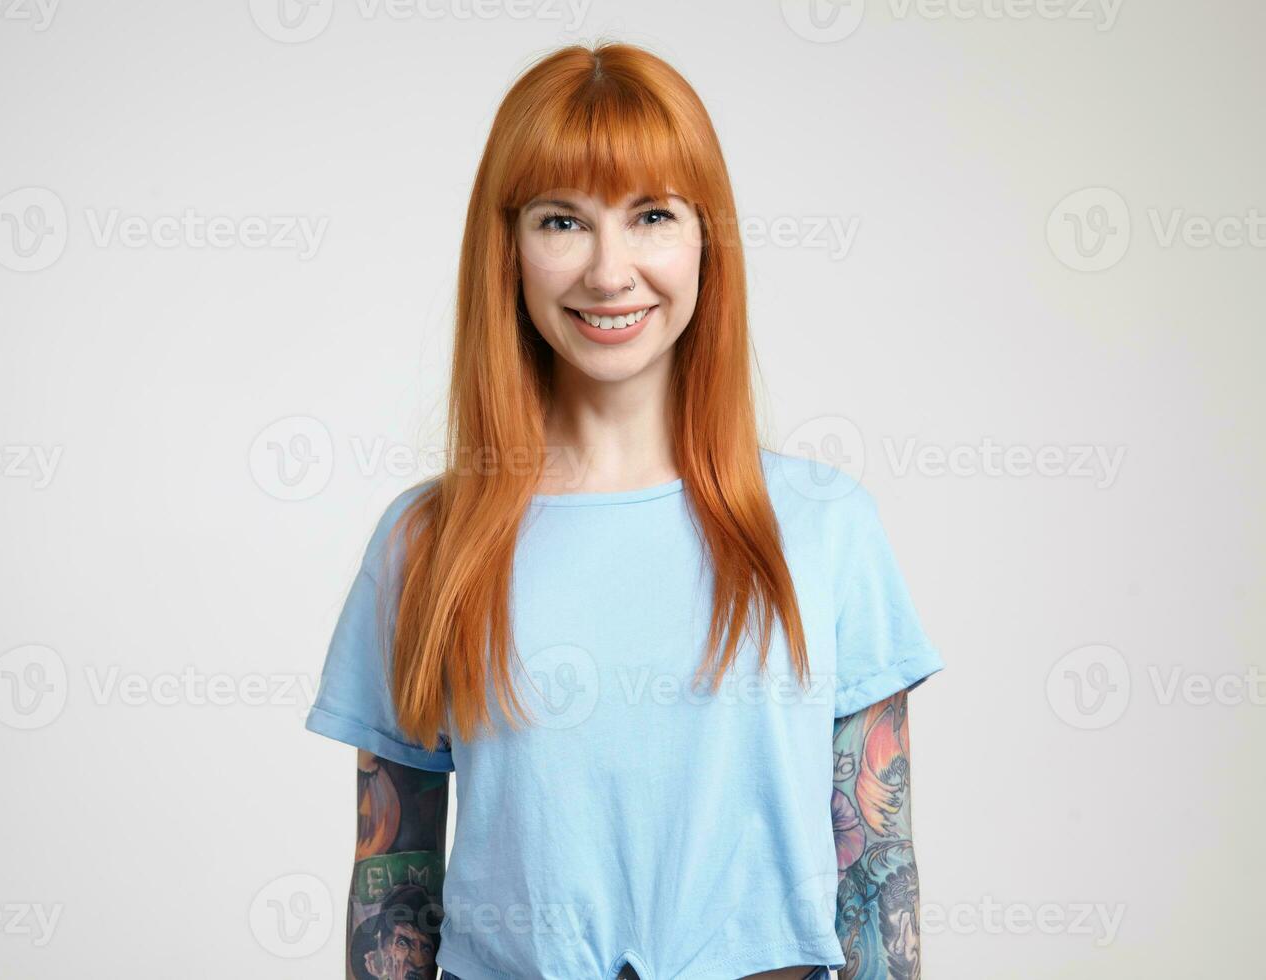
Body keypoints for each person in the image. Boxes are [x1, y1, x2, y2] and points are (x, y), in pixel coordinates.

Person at [305, 40, 945, 980]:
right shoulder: (426, 543)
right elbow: (394, 887)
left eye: (651, 215)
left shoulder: (824, 525)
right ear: (510, 245)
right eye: (563, 221)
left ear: (703, 239)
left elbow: (876, 876)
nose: (611, 272)